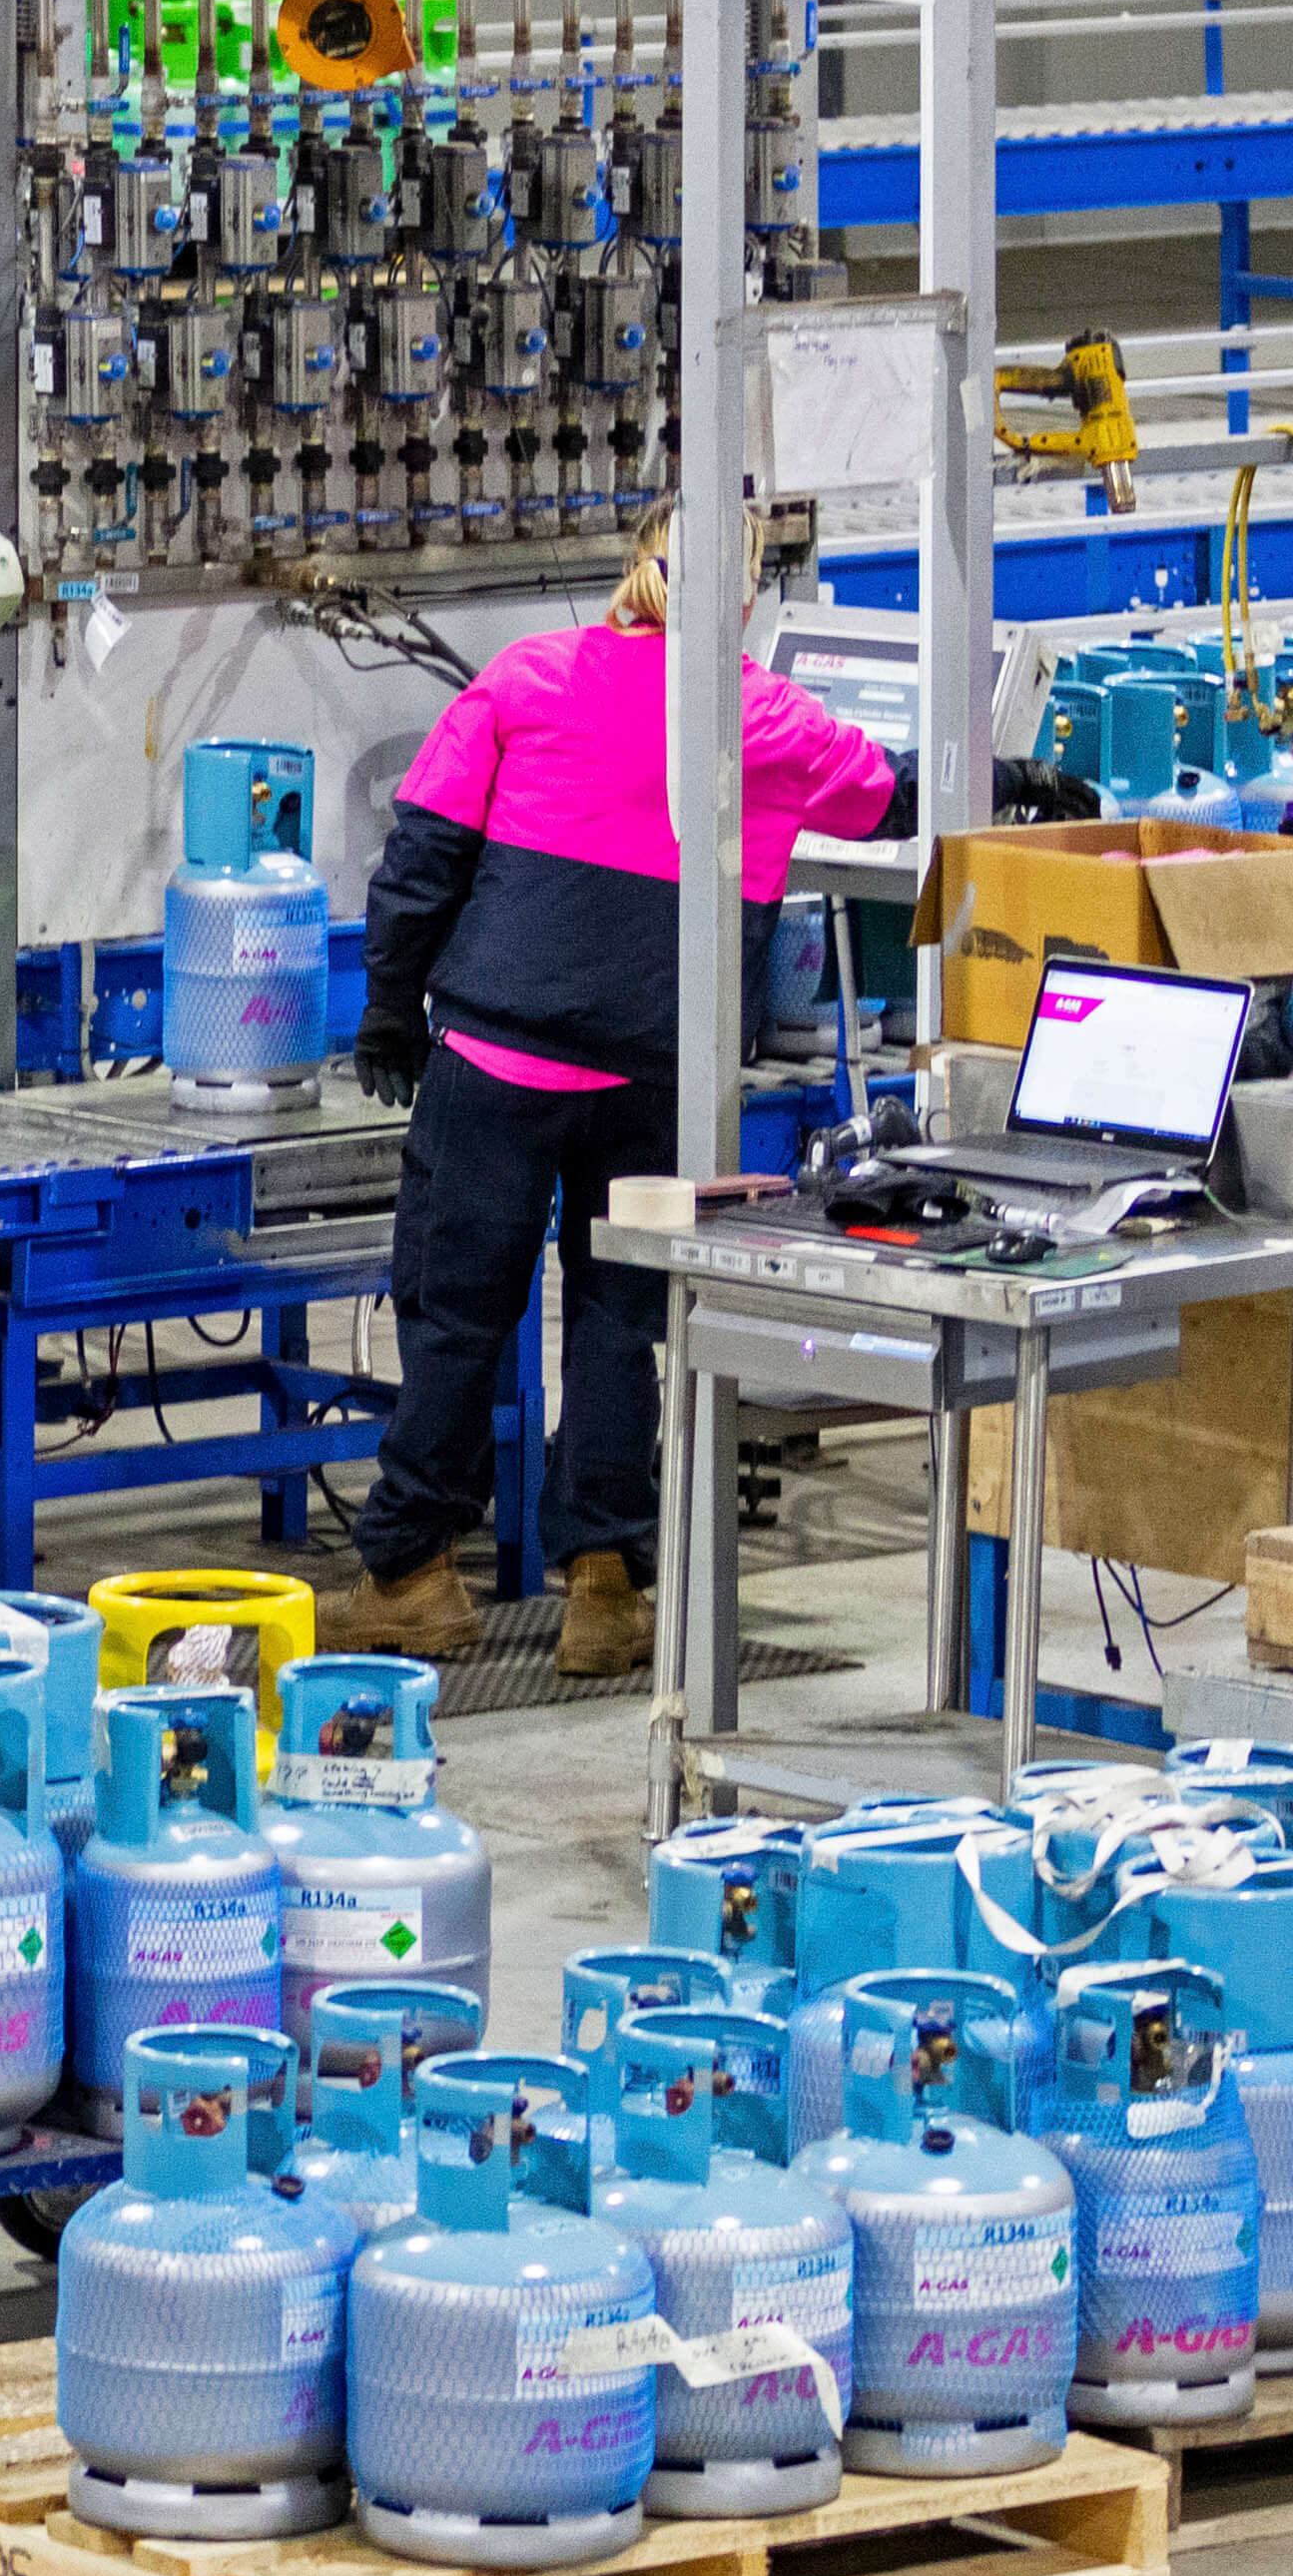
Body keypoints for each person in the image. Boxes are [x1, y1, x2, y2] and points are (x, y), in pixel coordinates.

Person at [323, 506, 901, 1691]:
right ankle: (604, 1586)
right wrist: (1021, 777)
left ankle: (410, 1576)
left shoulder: (530, 678)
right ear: (744, 595)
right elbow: (887, 798)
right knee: (621, 1320)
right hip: (657, 1070)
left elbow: (423, 852)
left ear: (628, 565)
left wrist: (389, 1003)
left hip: (499, 1061)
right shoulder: (769, 718)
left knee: (457, 1312)